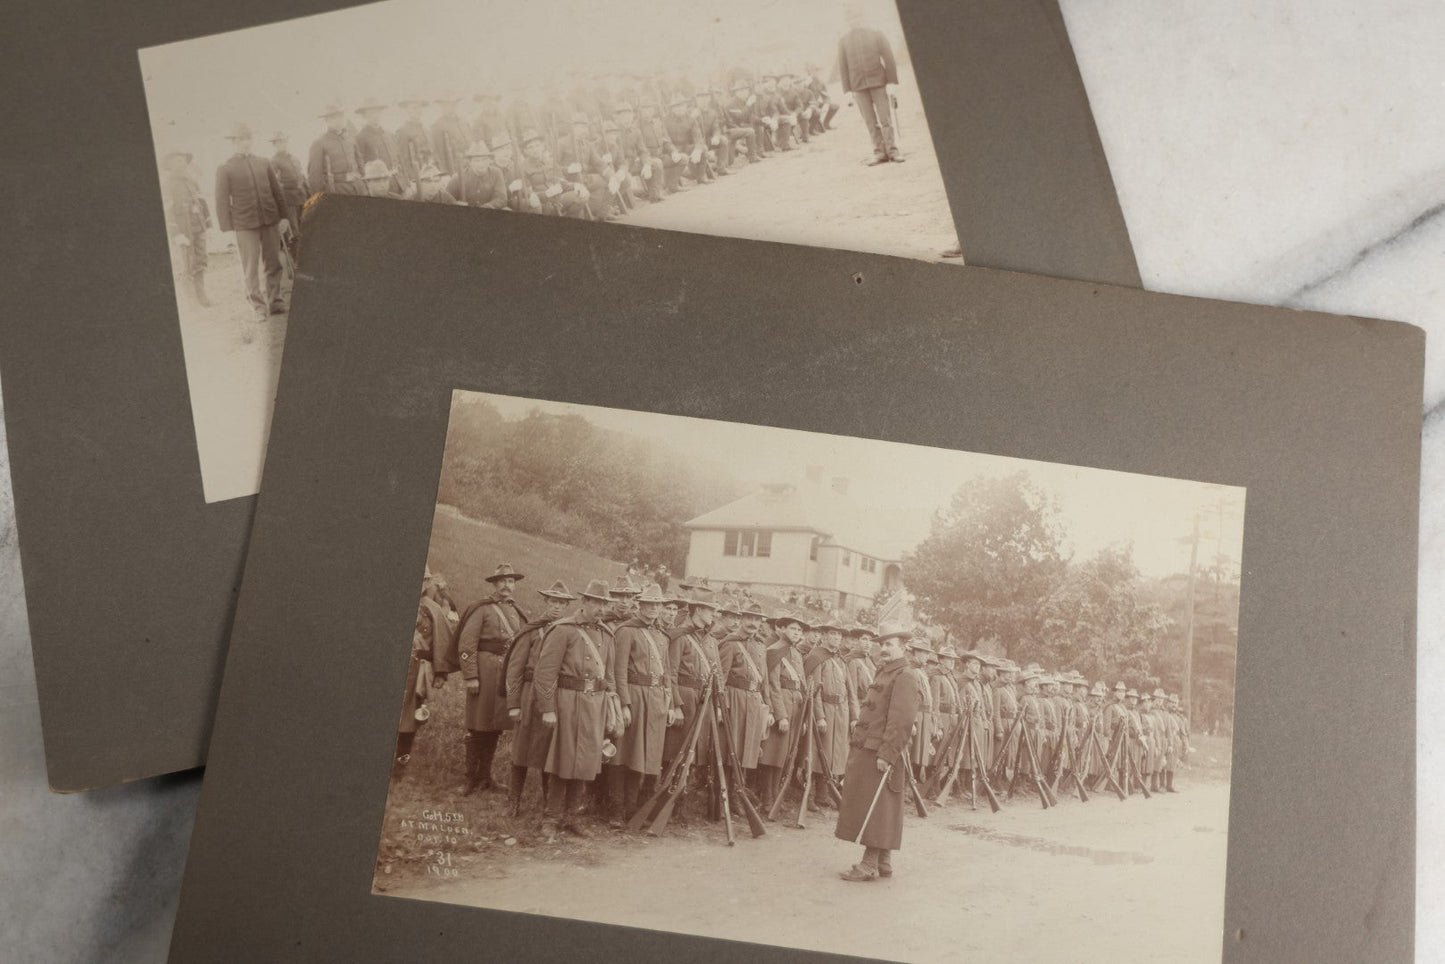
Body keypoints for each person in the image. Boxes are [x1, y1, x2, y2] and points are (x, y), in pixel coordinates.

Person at [834, 625, 923, 881]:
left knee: (876, 805)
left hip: (881, 750)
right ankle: (884, 861)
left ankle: (868, 864)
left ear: (902, 647)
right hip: (869, 746)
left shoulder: (905, 675)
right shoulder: (886, 671)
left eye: (889, 644)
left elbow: (902, 720)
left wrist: (887, 753)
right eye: (881, 645)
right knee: (881, 804)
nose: (883, 649)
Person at [534, 579, 613, 841]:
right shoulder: (563, 630)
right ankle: (551, 817)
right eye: (597, 602)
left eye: (604, 603)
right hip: (567, 702)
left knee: (587, 761)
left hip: (595, 705)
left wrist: (611, 704)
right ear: (585, 602)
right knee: (562, 759)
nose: (601, 608)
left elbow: (609, 677)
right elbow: (545, 674)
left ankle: (572, 817)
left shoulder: (606, 634)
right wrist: (547, 708)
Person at [503, 580, 576, 817]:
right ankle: (513, 802)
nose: (557, 607)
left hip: (552, 697)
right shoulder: (532, 631)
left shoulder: (566, 631)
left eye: (562, 603)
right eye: (553, 601)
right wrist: (513, 704)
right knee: (521, 751)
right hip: (527, 694)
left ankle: (549, 805)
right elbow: (514, 669)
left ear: (567, 606)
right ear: (545, 602)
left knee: (548, 751)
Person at [455, 563, 527, 794]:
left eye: (511, 582)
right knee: (477, 726)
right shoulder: (482, 609)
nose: (507, 586)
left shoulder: (516, 611)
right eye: (503, 581)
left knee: (495, 726)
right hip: (484, 674)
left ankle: (486, 776)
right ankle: (469, 778)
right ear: (494, 584)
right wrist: (470, 676)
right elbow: (467, 644)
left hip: (505, 676)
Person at [611, 585, 678, 822]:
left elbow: (667, 672)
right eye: (649, 604)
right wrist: (624, 704)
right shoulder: (626, 631)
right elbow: (618, 671)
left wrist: (670, 704)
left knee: (646, 755)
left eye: (657, 605)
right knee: (625, 754)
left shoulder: (661, 636)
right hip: (634, 696)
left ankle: (634, 808)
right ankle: (616, 810)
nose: (653, 609)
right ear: (640, 606)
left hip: (657, 699)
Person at [214, 123, 290, 321]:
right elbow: (221, 199)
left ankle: (276, 302)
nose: (244, 143)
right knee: (250, 267)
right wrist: (228, 227)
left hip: (270, 219)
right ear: (233, 143)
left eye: (247, 139)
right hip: (245, 224)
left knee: (273, 262)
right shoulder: (225, 167)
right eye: (239, 140)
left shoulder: (264, 162)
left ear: (252, 140)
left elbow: (277, 192)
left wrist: (284, 217)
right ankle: (258, 307)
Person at [837, 1, 902, 165]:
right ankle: (879, 153)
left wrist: (892, 82)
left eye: (857, 16)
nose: (854, 20)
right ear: (847, 21)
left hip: (879, 83)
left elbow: (889, 59)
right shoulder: (843, 41)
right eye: (850, 18)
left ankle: (893, 151)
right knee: (870, 122)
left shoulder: (876, 34)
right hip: (858, 87)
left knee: (885, 120)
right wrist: (847, 91)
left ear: (863, 17)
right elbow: (843, 67)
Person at [759, 611, 807, 808]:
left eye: (799, 630)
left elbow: (801, 683)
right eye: (793, 629)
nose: (796, 633)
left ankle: (776, 794)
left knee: (785, 754)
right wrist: (780, 715)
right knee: (773, 754)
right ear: (783, 630)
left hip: (795, 706)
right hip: (783, 707)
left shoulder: (795, 652)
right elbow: (773, 685)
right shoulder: (774, 650)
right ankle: (767, 797)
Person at [161, 147, 211, 308]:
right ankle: (190, 300)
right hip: (183, 231)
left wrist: (208, 224)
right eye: (178, 160)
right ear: (170, 164)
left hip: (198, 227)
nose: (182, 163)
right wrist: (176, 234)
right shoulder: (167, 185)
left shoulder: (191, 180)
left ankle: (201, 295)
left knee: (201, 260)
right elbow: (167, 211)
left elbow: (202, 201)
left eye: (183, 160)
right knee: (187, 263)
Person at [308, 102, 365, 196]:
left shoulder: (351, 139)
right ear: (326, 120)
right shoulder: (319, 143)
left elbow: (360, 163)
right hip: (337, 191)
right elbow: (315, 177)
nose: (339, 120)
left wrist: (363, 184)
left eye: (341, 116)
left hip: (358, 189)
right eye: (333, 117)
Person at [267, 133, 308, 264]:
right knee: (294, 231)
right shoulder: (274, 161)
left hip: (301, 197)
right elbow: (275, 184)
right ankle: (297, 261)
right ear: (274, 145)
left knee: (305, 227)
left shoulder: (294, 158)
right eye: (278, 142)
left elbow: (301, 175)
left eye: (284, 141)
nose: (282, 144)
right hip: (288, 200)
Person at [448, 141, 509, 209]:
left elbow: (501, 199)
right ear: (470, 163)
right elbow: (446, 200)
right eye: (477, 160)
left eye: (484, 160)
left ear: (489, 160)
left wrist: (486, 207)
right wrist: (457, 204)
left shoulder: (496, 173)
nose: (481, 164)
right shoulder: (457, 178)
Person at [429, 91, 472, 177]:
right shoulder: (438, 126)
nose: (450, 107)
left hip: (470, 165)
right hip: (454, 169)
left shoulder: (463, 121)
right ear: (442, 106)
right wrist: (446, 175)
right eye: (446, 105)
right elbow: (439, 155)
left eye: (453, 104)